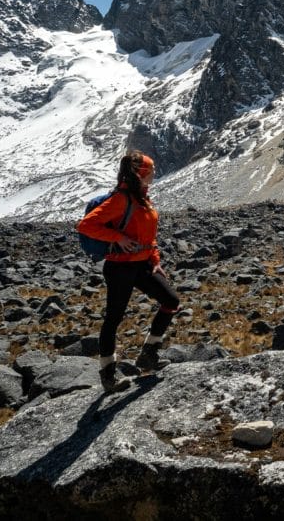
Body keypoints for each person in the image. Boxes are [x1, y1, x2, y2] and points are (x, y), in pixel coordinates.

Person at [77, 150, 181, 393]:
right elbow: (86, 225)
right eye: (151, 170)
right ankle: (108, 375)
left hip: (143, 264)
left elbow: (147, 234)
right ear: (141, 173)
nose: (154, 173)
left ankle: (148, 355)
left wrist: (154, 258)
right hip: (120, 266)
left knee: (171, 301)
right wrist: (118, 237)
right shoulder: (121, 199)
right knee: (113, 318)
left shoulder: (142, 198)